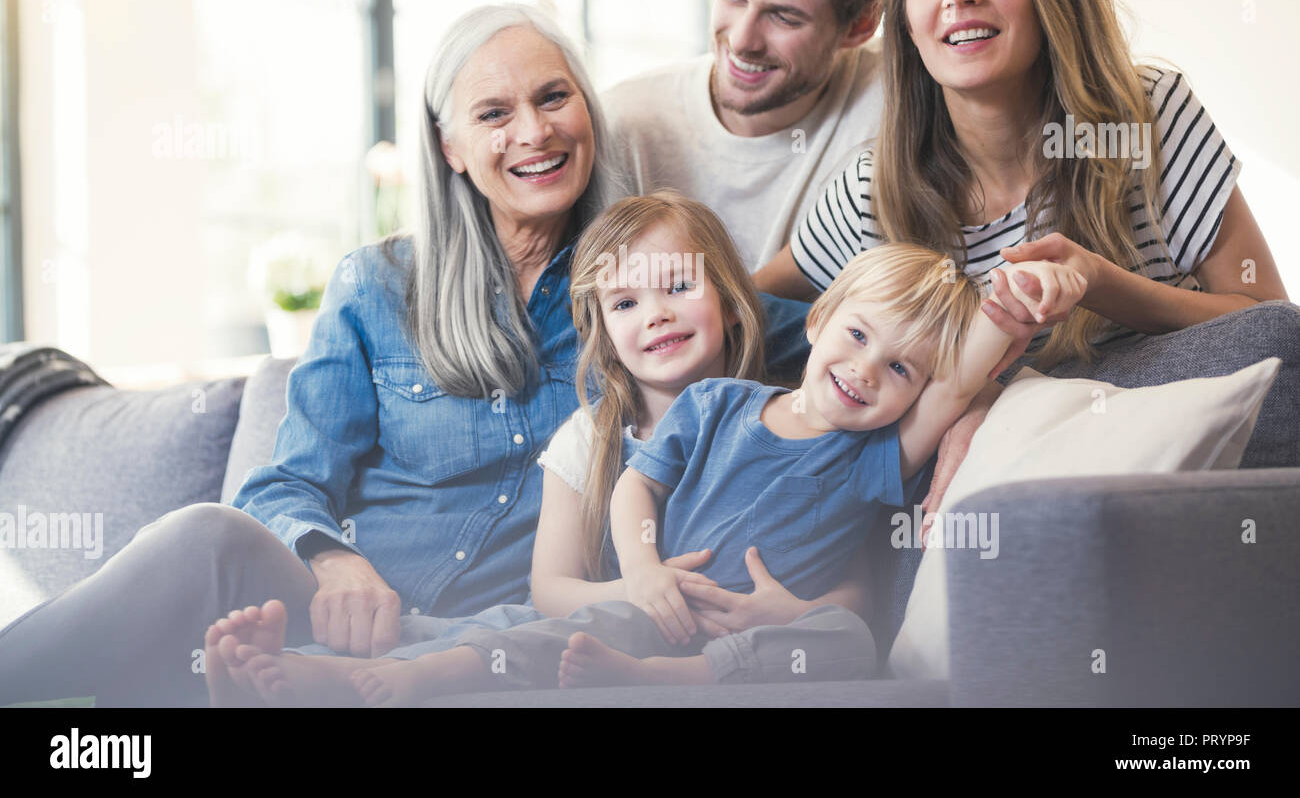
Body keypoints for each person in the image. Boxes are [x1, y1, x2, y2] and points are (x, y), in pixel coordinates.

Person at [0, 5, 811, 708]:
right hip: (341, 610)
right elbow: (285, 482)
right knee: (205, 539)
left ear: (588, 111)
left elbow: (854, 333)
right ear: (449, 145)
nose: (533, 131)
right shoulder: (378, 286)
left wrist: (936, 395)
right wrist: (332, 556)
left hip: (502, 640)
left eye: (553, 96)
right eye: (493, 113)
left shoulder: (645, 285)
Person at [208, 237, 1085, 705]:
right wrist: (640, 571)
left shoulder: (873, 457)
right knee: (502, 622)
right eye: (858, 337)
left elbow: (963, 372)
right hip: (650, 599)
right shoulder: (719, 404)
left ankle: (416, 685)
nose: (866, 371)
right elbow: (638, 485)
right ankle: (323, 668)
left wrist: (1014, 306)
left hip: (731, 639)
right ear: (817, 321)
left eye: (902, 370)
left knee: (847, 643)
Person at [755, 0, 1291, 519]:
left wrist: (1098, 286)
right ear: (907, 24)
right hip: (977, 501)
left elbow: (1268, 326)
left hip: (1155, 442)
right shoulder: (874, 192)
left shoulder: (1149, 117)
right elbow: (749, 311)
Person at [602, 0, 893, 271]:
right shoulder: (624, 123)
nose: (741, 39)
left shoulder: (900, 94)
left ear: (860, 26)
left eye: (784, 17)